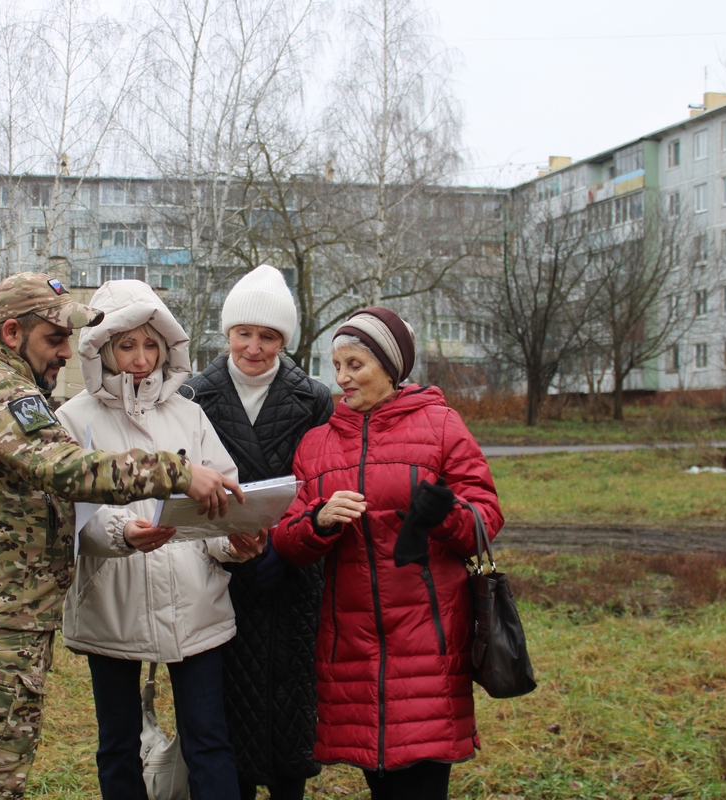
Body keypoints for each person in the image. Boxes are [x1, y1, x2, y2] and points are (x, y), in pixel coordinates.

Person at [0, 272, 242, 800]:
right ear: (9, 333)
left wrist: (229, 536)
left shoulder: (7, 389)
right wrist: (176, 473)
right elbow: (67, 473)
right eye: (54, 338)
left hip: (6, 614)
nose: (66, 352)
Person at [272, 306, 504, 800]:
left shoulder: (441, 426)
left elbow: (486, 519)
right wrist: (318, 521)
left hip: (428, 641)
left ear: (390, 366)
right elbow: (286, 540)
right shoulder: (316, 445)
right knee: (379, 784)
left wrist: (444, 514)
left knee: (422, 783)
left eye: (355, 364)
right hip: (350, 647)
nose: (342, 378)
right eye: (336, 366)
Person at [56, 279, 265, 800]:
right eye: (127, 344)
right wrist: (121, 532)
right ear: (100, 348)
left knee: (209, 739)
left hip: (193, 602)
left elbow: (218, 504)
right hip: (112, 600)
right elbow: (68, 519)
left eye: (153, 344)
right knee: (119, 743)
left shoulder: (189, 414)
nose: (142, 359)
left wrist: (233, 543)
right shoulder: (73, 419)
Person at [184, 264, 333, 800]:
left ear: (284, 341)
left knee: (289, 696)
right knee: (228, 700)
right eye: (244, 332)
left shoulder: (313, 398)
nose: (254, 346)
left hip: (291, 568)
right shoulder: (194, 396)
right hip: (219, 566)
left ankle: (291, 784)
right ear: (226, 334)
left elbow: (322, 477)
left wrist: (289, 545)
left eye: (269, 336)